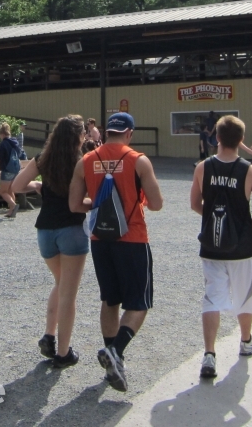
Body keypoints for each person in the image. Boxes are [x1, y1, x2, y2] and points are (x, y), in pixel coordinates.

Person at [69, 111, 164, 393]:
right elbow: (157, 204)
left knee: (110, 299)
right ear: (129, 133)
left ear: (107, 131)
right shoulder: (138, 160)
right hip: (132, 238)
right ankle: (115, 351)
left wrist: (101, 203)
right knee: (139, 303)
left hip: (100, 239)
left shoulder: (86, 161)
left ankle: (113, 359)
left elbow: (75, 205)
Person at [190, 115, 252, 379]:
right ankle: (246, 341)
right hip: (242, 247)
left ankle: (209, 354)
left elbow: (195, 204)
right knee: (244, 295)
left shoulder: (203, 167)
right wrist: (243, 226)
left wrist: (214, 221)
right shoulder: (250, 171)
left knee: (212, 297)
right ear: (241, 140)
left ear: (217, 138)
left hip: (212, 244)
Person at [10, 115, 88, 368]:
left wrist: (39, 186)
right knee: (69, 294)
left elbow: (17, 186)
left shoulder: (43, 159)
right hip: (71, 228)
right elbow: (86, 197)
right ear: (78, 137)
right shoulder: (82, 161)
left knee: (60, 283)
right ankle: (63, 353)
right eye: (84, 133)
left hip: (45, 230)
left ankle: (49, 335)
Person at [0, 122, 23, 218]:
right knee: (10, 190)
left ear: (2, 134)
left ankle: (13, 205)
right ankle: (11, 211)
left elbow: (0, 157)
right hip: (15, 169)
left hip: (7, 169)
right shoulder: (15, 142)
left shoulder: (3, 144)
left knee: (3, 191)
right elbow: (19, 154)